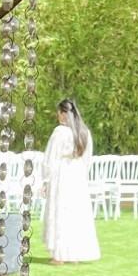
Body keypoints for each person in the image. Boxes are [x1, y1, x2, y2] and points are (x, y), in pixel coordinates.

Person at [42, 98, 100, 264]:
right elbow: (87, 159)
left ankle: (59, 255)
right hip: (78, 176)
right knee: (75, 214)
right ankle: (74, 254)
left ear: (62, 114)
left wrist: (46, 179)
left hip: (62, 175)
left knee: (60, 213)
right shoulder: (84, 132)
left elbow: (50, 157)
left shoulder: (60, 132)